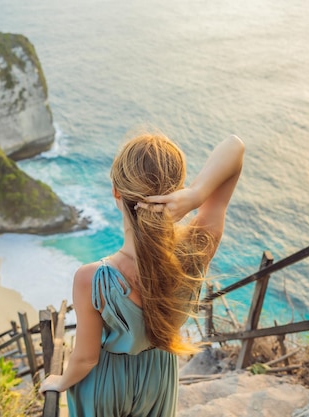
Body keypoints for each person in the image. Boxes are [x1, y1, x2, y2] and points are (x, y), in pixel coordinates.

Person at [39, 133, 245, 416]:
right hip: (158, 379)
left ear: (116, 192)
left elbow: (86, 358)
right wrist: (196, 195)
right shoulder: (196, 251)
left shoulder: (92, 277)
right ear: (177, 191)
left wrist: (59, 382)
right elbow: (234, 147)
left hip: (105, 382)